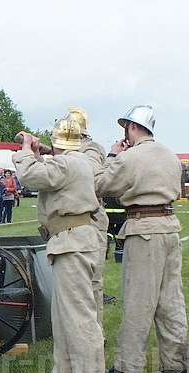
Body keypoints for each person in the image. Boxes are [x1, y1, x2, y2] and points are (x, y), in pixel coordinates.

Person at [96, 105, 189, 373]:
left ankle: (128, 366)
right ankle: (176, 365)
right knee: (171, 300)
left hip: (144, 229)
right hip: (170, 228)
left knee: (138, 300)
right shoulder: (170, 155)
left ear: (132, 127)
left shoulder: (130, 157)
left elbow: (102, 184)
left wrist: (114, 154)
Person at [13, 117, 106, 373]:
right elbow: (48, 171)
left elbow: (31, 176)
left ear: (57, 141)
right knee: (64, 314)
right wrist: (39, 154)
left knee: (78, 314)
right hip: (73, 240)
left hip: (71, 242)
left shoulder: (65, 164)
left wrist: (26, 150)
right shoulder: (76, 161)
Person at [68, 106, 110, 319]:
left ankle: (95, 331)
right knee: (72, 280)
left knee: (92, 279)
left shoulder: (91, 149)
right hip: (71, 220)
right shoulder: (72, 150)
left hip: (91, 218)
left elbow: (93, 176)